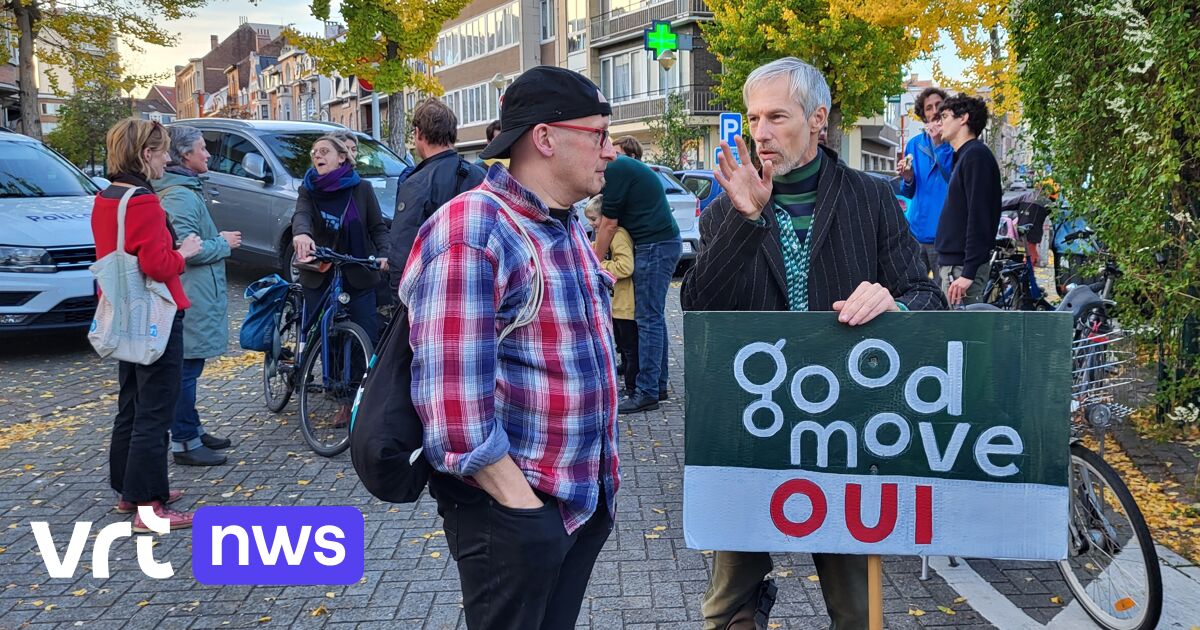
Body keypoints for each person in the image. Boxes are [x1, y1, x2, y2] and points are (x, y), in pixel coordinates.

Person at [680, 57, 946, 630]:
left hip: (843, 430)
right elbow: (698, 309)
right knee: (728, 605)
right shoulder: (727, 207)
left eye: (777, 116)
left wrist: (894, 305)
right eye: (754, 118)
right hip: (754, 427)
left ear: (817, 119)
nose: (761, 133)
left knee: (859, 608)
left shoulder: (870, 200)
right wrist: (744, 219)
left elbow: (927, 298)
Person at [398, 65, 619, 630]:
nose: (610, 150)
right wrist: (524, 514)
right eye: (598, 134)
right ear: (544, 138)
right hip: (513, 512)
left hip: (575, 499)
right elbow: (456, 414)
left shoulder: (561, 223)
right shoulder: (472, 232)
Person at [91, 118, 204, 532]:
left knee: (132, 403)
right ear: (145, 154)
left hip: (123, 312)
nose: (167, 159)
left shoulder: (107, 196)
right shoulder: (143, 201)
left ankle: (129, 489)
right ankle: (148, 507)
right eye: (162, 152)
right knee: (155, 409)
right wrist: (184, 251)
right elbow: (157, 264)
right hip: (155, 315)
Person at [153, 125, 239, 467]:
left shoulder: (184, 189)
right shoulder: (179, 194)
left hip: (197, 291)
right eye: (202, 149)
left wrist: (212, 237)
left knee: (189, 367)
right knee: (185, 371)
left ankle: (192, 428)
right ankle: (185, 441)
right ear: (184, 155)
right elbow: (185, 247)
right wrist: (223, 243)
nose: (208, 154)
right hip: (191, 293)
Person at [593, 152, 681, 413]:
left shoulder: (614, 170)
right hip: (661, 243)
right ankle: (657, 386)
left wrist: (593, 262)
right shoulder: (621, 166)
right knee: (653, 318)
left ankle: (646, 392)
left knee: (647, 319)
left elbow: (608, 224)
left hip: (655, 245)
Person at [291, 134, 390, 343]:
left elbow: (377, 228)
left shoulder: (361, 189)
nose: (317, 155)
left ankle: (360, 376)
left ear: (342, 157)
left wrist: (384, 254)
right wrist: (302, 233)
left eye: (324, 151)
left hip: (358, 272)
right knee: (324, 338)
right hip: (320, 274)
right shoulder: (308, 189)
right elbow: (302, 214)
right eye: (314, 152)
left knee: (366, 335)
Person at [387, 98, 485, 283]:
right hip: (479, 283)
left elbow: (402, 252)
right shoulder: (480, 176)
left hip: (434, 289)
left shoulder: (417, 184)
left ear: (419, 133)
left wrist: (400, 302)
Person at [935, 93, 1003, 306]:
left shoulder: (976, 156)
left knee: (960, 337)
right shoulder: (964, 156)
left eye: (944, 116)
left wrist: (968, 272)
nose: (940, 123)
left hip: (961, 269)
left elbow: (979, 217)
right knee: (953, 335)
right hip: (954, 265)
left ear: (963, 118)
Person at [584, 194, 637, 395]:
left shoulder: (618, 235)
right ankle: (625, 373)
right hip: (615, 304)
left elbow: (625, 266)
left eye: (593, 219)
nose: (591, 223)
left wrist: (599, 265)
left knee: (630, 348)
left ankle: (632, 387)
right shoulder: (603, 236)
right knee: (622, 346)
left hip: (625, 304)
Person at [898, 87, 953, 275]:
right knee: (912, 288)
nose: (934, 110)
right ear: (923, 114)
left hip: (944, 234)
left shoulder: (954, 143)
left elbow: (953, 178)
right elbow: (908, 192)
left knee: (943, 296)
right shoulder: (914, 144)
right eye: (929, 107)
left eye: (939, 105)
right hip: (917, 231)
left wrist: (939, 143)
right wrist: (907, 178)